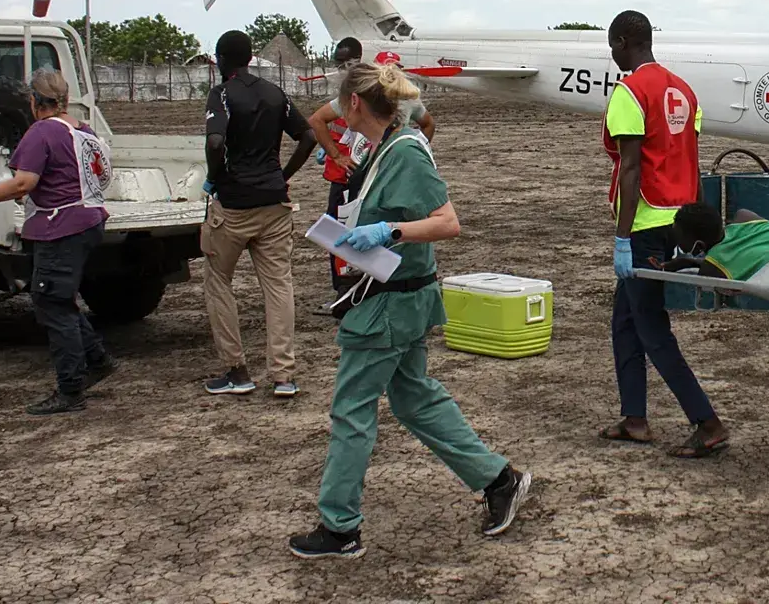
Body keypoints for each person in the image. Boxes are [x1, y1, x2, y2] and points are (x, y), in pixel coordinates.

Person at [288, 62, 530, 559]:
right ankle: (498, 479)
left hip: (389, 306)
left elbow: (447, 223)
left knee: (352, 410)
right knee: (414, 398)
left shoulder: (404, 154)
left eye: (339, 106)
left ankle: (340, 527)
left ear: (355, 105)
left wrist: (387, 232)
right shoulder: (389, 147)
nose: (333, 116)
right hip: (398, 297)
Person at [600, 9, 728, 459]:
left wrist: (621, 237)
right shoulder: (685, 92)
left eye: (611, 46)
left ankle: (706, 422)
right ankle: (635, 417)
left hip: (642, 225)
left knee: (654, 332)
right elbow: (690, 161)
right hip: (674, 220)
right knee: (624, 323)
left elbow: (631, 167)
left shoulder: (629, 92)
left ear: (621, 42)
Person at [0, 69, 118, 415]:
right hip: (88, 219)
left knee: (51, 302)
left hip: (59, 226)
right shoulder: (83, 130)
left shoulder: (42, 133)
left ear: (34, 102)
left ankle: (70, 388)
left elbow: (23, 183)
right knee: (58, 298)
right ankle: (96, 360)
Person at [200, 30, 318, 398]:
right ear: (250, 58)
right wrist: (282, 176)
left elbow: (216, 140)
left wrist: (214, 177)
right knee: (279, 285)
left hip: (233, 206)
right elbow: (308, 137)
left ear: (221, 59)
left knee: (219, 282)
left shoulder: (221, 94)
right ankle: (283, 375)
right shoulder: (274, 93)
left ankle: (237, 371)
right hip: (274, 204)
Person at [306, 37, 435, 314]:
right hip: (349, 175)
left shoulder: (403, 146)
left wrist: (416, 149)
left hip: (365, 176)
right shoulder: (363, 102)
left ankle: (362, 289)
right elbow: (317, 120)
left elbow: (444, 223)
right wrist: (334, 153)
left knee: (362, 232)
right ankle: (349, 289)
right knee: (346, 232)